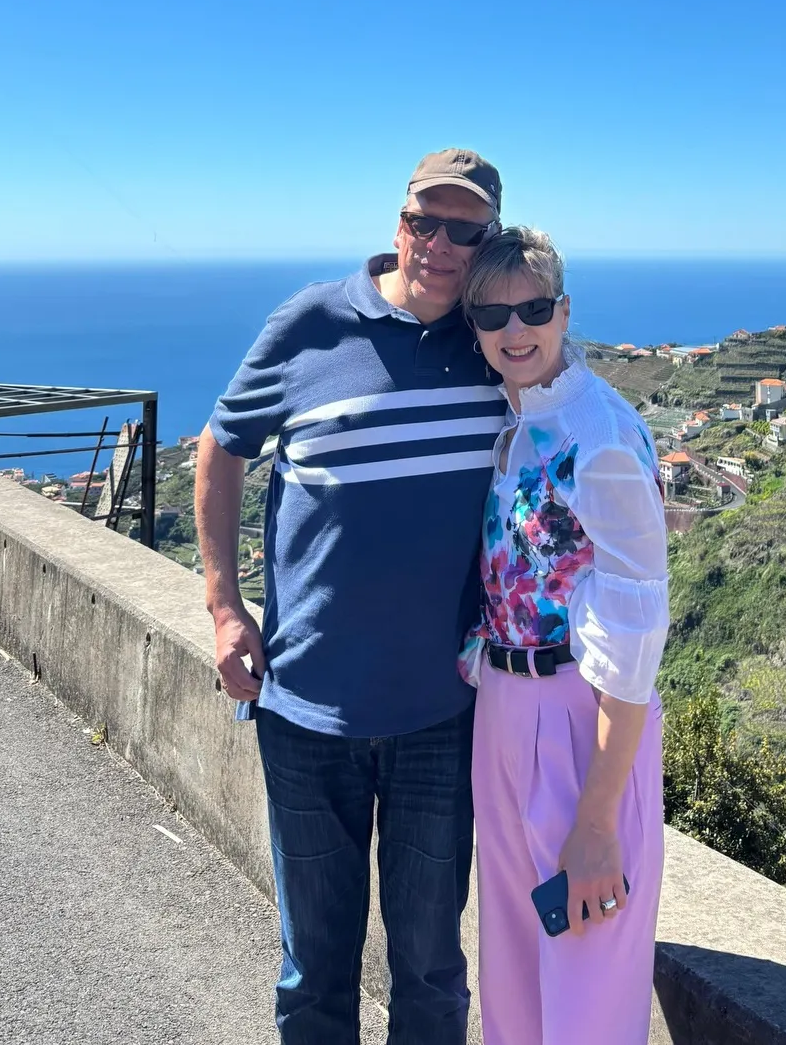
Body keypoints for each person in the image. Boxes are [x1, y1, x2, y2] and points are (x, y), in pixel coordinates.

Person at [194, 149, 506, 1044]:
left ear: (487, 244)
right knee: (314, 975)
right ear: (397, 225)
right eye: (422, 222)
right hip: (306, 710)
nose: (437, 244)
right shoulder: (312, 323)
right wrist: (224, 605)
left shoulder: (495, 340)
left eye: (463, 231)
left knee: (432, 973)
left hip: (443, 714)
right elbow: (221, 448)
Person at [458, 226, 668, 1045]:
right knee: (512, 980)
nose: (515, 331)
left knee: (586, 991)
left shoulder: (599, 435)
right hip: (506, 710)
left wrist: (597, 823)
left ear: (564, 311)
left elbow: (634, 643)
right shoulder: (521, 421)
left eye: (534, 310)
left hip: (583, 720)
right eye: (492, 315)